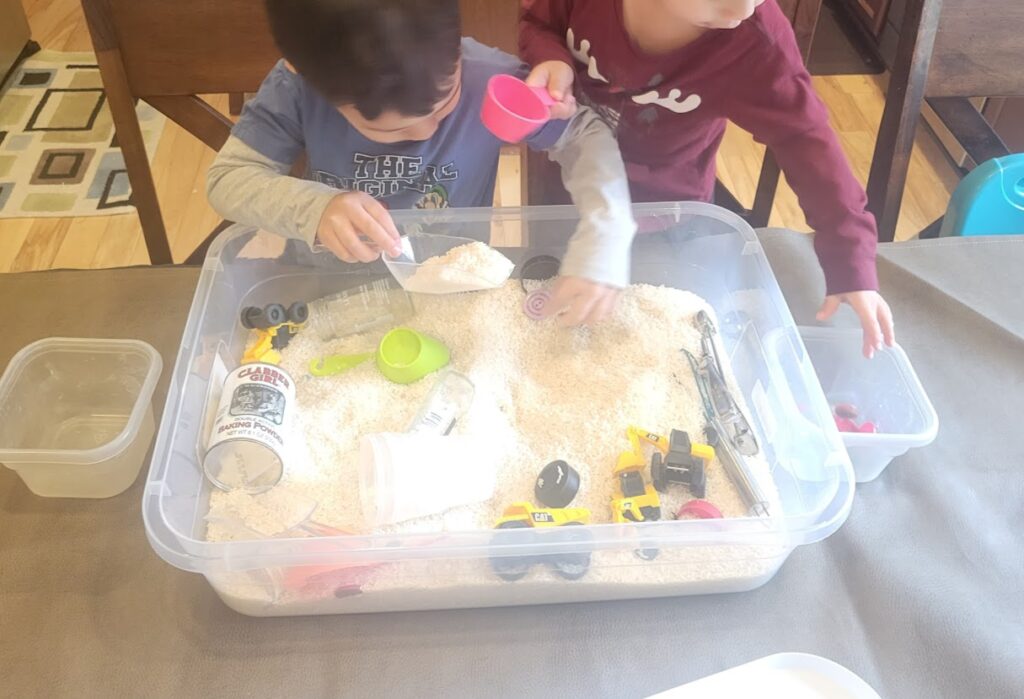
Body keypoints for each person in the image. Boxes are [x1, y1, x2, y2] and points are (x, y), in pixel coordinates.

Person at [207, 0, 636, 326]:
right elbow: (227, 179)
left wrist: (607, 229)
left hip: (453, 288)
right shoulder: (297, 88)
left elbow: (582, 135)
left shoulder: (487, 78)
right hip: (332, 285)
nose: (429, 132)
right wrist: (316, 208)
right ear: (303, 72)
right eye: (395, 130)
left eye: (445, 103)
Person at [520, 0, 896, 357]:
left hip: (666, 214)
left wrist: (850, 257)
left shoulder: (755, 41)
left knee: (634, 332)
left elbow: (804, 138)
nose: (744, 9)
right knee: (546, 306)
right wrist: (551, 57)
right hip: (562, 193)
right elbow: (537, 21)